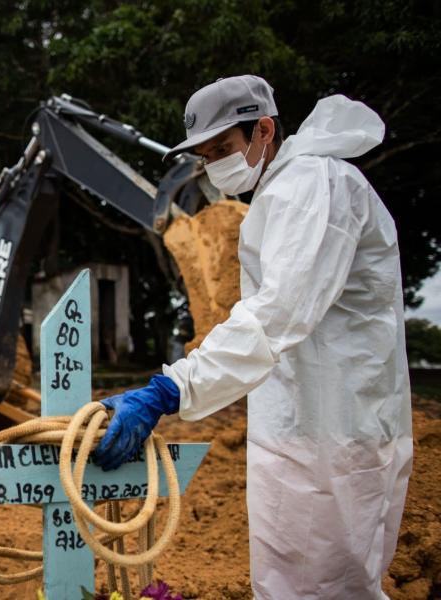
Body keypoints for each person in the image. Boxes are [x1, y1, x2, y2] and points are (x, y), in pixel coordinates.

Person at [94, 75, 412, 599]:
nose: (214, 164)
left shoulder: (312, 186)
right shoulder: (283, 190)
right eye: (205, 155)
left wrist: (170, 388)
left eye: (223, 148)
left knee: (326, 583)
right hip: (306, 421)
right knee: (294, 577)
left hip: (338, 428)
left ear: (264, 129)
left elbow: (276, 313)